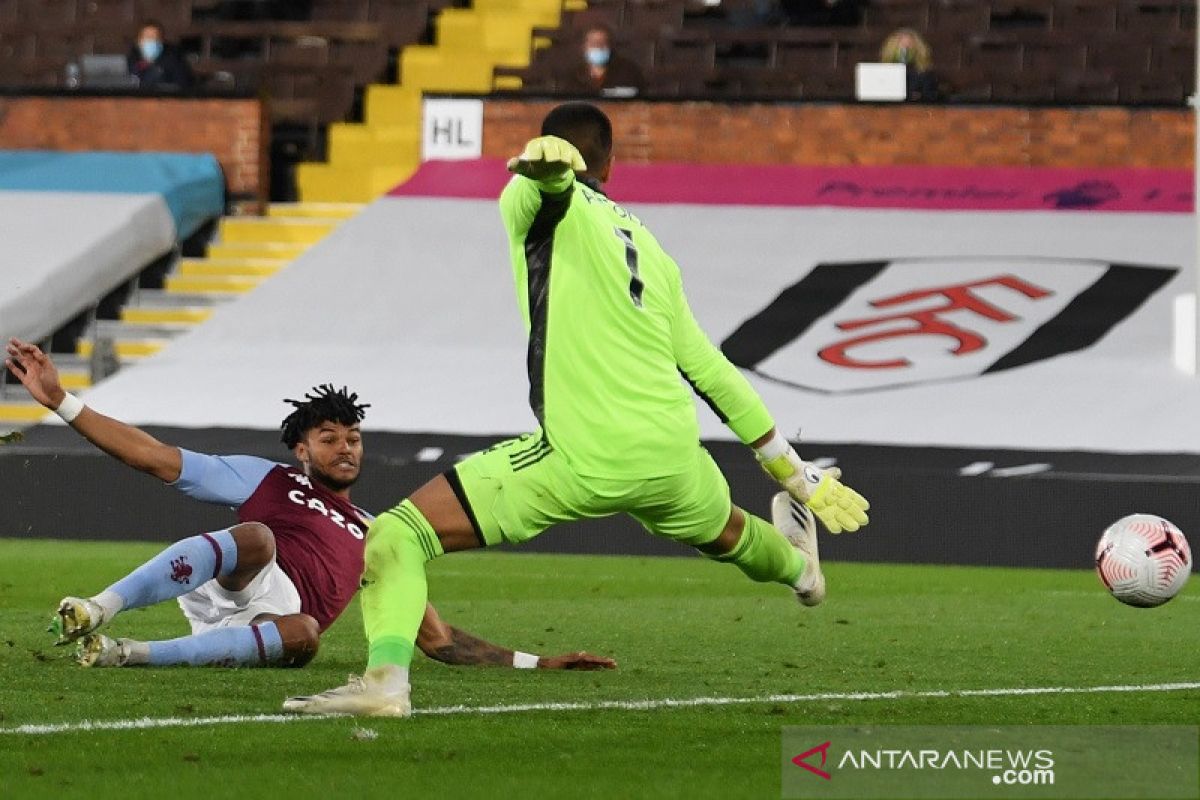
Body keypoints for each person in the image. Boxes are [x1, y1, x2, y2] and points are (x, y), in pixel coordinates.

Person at [283, 102, 870, 718]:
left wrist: (546, 176)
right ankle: (803, 575)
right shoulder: (650, 249)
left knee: (398, 532)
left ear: (549, 152)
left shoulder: (536, 203)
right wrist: (794, 473)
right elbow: (711, 371)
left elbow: (539, 195)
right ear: (611, 165)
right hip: (672, 454)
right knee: (726, 530)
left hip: (580, 456)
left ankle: (385, 684)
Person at [4, 338, 615, 672]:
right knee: (260, 538)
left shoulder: (380, 533)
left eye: (353, 438)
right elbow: (156, 458)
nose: (345, 449)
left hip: (273, 628)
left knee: (308, 635)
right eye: (329, 438)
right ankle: (99, 608)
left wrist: (539, 664)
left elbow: (435, 637)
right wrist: (62, 401)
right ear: (302, 449)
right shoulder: (266, 479)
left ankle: (126, 655)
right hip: (237, 584)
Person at [558, 24, 644, 97]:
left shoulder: (629, 71)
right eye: (593, 43)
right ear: (584, 47)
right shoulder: (573, 76)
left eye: (603, 42)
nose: (598, 46)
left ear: (610, 46)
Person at [127, 19, 195, 90]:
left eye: (155, 37)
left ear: (162, 41)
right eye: (147, 37)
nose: (151, 41)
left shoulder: (175, 61)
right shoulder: (131, 61)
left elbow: (184, 86)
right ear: (139, 41)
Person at [880, 28, 938, 102]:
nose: (905, 48)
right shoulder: (882, 70)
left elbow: (931, 96)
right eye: (902, 45)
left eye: (909, 44)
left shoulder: (925, 72)